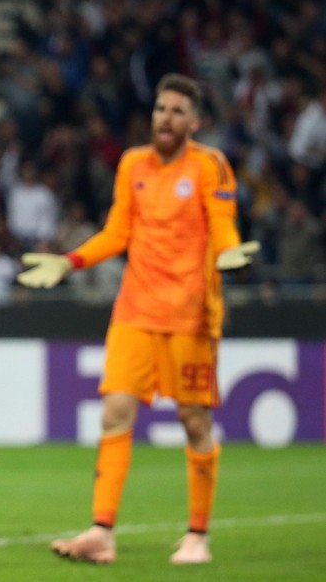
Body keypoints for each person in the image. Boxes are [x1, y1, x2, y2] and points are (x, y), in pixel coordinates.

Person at [17, 73, 260, 565]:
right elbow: (117, 232)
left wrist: (231, 254)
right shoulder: (133, 163)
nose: (165, 119)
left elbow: (223, 224)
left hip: (190, 315)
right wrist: (70, 261)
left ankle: (198, 536)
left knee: (194, 421)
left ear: (194, 122)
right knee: (115, 414)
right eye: (159, 109)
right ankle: (102, 531)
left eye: (176, 111)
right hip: (134, 310)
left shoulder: (211, 164)